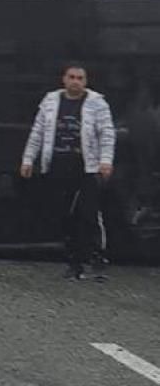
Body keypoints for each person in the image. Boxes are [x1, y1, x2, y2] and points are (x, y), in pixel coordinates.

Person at [20, 62, 115, 281]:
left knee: (89, 213)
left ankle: (96, 259)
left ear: (86, 81)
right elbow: (38, 132)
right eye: (71, 77)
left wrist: (105, 161)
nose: (75, 82)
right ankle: (74, 261)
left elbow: (106, 134)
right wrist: (28, 159)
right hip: (58, 164)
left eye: (80, 78)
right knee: (66, 214)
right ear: (64, 79)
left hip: (86, 166)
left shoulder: (97, 104)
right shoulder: (50, 102)